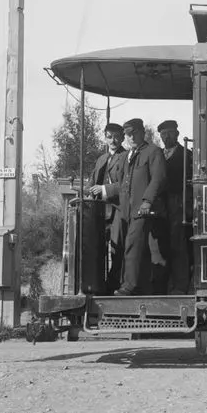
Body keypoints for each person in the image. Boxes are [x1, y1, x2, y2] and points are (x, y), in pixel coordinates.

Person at [115, 118, 169, 296]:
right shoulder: (125, 156)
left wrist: (147, 201)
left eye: (133, 134)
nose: (129, 138)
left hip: (143, 210)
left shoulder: (153, 152)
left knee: (133, 245)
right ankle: (142, 286)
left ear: (142, 132)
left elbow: (158, 179)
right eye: (127, 135)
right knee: (135, 247)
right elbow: (122, 184)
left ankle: (129, 286)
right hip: (126, 211)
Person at [88, 123, 127, 294]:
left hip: (118, 209)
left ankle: (115, 285)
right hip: (99, 212)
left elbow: (128, 184)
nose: (113, 140)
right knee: (96, 247)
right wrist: (86, 192)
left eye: (117, 136)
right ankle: (97, 283)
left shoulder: (127, 157)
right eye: (110, 136)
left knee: (117, 248)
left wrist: (104, 190)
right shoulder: (101, 159)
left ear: (123, 137)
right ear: (104, 137)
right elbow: (91, 183)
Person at [157, 119, 194, 294]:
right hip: (159, 205)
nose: (166, 137)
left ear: (177, 134)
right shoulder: (157, 155)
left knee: (178, 245)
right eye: (163, 134)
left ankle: (180, 286)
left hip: (178, 204)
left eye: (170, 133)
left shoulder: (187, 155)